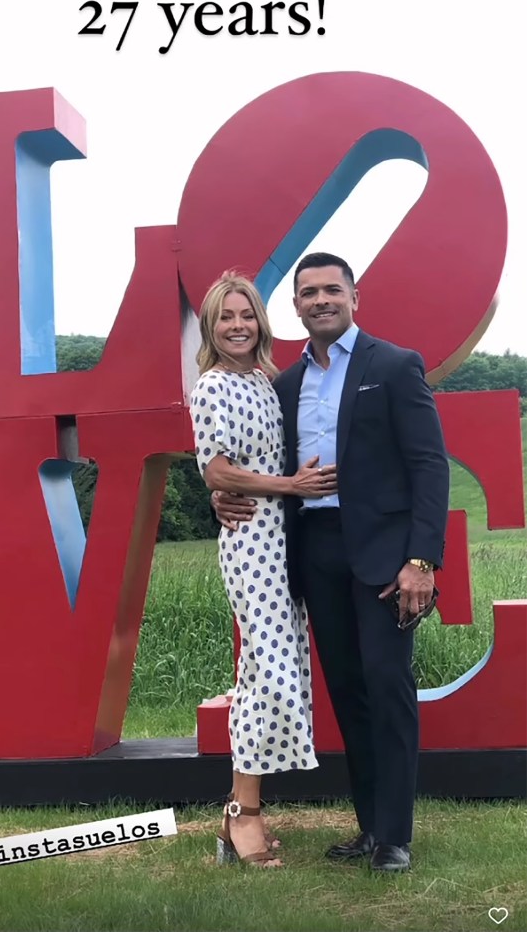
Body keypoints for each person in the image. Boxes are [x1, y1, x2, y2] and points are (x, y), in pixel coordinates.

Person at [214, 252, 450, 873]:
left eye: (331, 290)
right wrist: (221, 489)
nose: (320, 300)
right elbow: (255, 457)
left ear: (354, 296)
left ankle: (396, 837)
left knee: (388, 685)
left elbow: (430, 465)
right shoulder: (284, 384)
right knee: (347, 692)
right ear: (294, 306)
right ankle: (369, 830)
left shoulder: (395, 366)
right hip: (315, 551)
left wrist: (422, 559)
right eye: (308, 292)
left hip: (387, 556)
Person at [189, 271, 336, 868]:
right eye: (226, 316)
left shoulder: (268, 379)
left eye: (246, 314)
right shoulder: (212, 387)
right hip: (251, 542)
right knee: (267, 675)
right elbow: (218, 472)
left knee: (277, 672)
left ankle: (237, 812)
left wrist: (284, 488)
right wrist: (289, 486)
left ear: (261, 321)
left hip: (287, 541)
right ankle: (242, 817)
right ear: (210, 326)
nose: (237, 325)